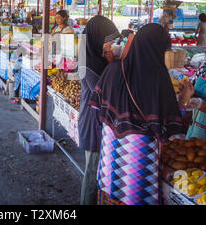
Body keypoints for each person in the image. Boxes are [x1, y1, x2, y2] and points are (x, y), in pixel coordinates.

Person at [89, 24, 187, 205]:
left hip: (110, 145)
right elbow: (171, 128)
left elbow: (96, 106)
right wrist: (184, 101)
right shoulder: (158, 76)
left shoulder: (113, 69)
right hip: (139, 153)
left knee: (110, 188)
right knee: (134, 194)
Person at [78, 15, 121, 205]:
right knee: (93, 173)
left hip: (99, 120)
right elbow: (103, 92)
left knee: (98, 170)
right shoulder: (88, 63)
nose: (110, 45)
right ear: (97, 38)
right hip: (93, 121)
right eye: (108, 41)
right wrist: (114, 66)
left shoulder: (96, 57)